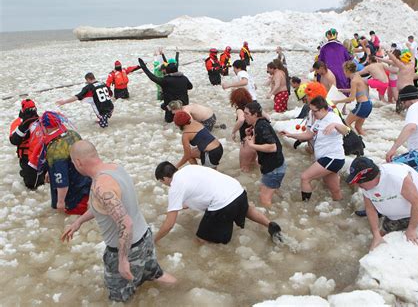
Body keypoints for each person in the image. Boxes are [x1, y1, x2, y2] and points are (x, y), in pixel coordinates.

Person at [62, 140, 176, 302]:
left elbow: (125, 223)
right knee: (157, 275)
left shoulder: (101, 186)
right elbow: (105, 206)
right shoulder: (115, 168)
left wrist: (122, 261)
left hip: (126, 249)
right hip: (145, 238)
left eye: (73, 162)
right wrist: (79, 222)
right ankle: (181, 292)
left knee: (118, 297)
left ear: (78, 162)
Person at [346, 157, 418, 251]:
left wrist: (411, 229)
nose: (358, 186)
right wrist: (376, 234)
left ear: (372, 177)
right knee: (382, 234)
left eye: (359, 182)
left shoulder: (396, 176)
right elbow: (370, 209)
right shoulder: (366, 186)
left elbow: (417, 201)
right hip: (397, 215)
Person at [154, 162, 283, 244]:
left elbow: (170, 224)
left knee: (200, 239)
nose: (164, 184)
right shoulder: (189, 168)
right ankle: (270, 224)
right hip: (237, 191)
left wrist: (154, 240)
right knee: (246, 209)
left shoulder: (175, 186)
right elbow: (201, 189)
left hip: (223, 204)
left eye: (161, 181)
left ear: (165, 178)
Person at [281, 96, 348, 202]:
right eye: (311, 110)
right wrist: (290, 135)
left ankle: (305, 206)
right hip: (327, 158)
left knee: (305, 177)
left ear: (322, 109)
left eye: (314, 111)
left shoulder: (332, 117)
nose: (312, 114)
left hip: (332, 157)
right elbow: (308, 135)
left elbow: (346, 131)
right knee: (335, 190)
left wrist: (335, 125)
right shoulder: (318, 121)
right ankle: (340, 206)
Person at [39, 111, 91, 215]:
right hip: (87, 187)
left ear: (45, 127)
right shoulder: (73, 134)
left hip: (74, 198)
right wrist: (50, 170)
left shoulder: (55, 150)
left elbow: (62, 180)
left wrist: (60, 202)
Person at [243, 101, 286, 208]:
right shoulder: (259, 124)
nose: (244, 116)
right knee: (269, 191)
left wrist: (252, 145)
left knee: (264, 200)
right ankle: (282, 205)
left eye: (247, 114)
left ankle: (271, 219)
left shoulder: (261, 126)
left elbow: (272, 147)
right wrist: (251, 133)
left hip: (274, 168)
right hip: (275, 166)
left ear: (255, 115)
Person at [138, 57, 193, 123]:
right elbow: (190, 87)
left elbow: (152, 77)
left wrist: (143, 67)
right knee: (183, 123)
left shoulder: (165, 80)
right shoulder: (184, 78)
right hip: (184, 105)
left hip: (171, 106)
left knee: (169, 122)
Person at [9, 99, 45, 189]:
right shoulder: (40, 121)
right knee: (32, 184)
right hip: (30, 157)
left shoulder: (39, 121)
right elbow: (14, 140)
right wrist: (24, 126)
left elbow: (13, 140)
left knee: (35, 183)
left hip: (37, 156)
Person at [334, 61, 372, 136]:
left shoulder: (353, 81)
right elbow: (359, 90)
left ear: (347, 71)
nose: (343, 73)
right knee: (358, 127)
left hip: (362, 105)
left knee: (346, 123)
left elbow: (351, 99)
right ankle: (365, 142)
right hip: (368, 104)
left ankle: (356, 142)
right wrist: (344, 90)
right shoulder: (357, 76)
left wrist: (337, 101)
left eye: (344, 71)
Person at [230, 88, 258, 172]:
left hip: (247, 141)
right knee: (254, 165)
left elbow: (241, 119)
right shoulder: (254, 105)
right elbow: (267, 117)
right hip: (257, 140)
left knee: (244, 169)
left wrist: (233, 132)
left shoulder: (240, 109)